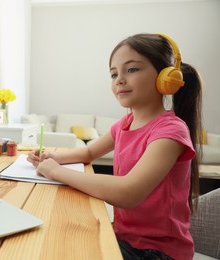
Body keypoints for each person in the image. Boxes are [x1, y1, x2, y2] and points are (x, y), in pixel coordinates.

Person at [27, 33, 202, 260]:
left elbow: (128, 193)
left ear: (165, 77)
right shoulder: (125, 124)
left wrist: (56, 172)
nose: (119, 79)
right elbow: (89, 152)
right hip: (125, 237)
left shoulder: (170, 131)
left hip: (157, 251)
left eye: (132, 70)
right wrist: (54, 157)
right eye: (113, 74)